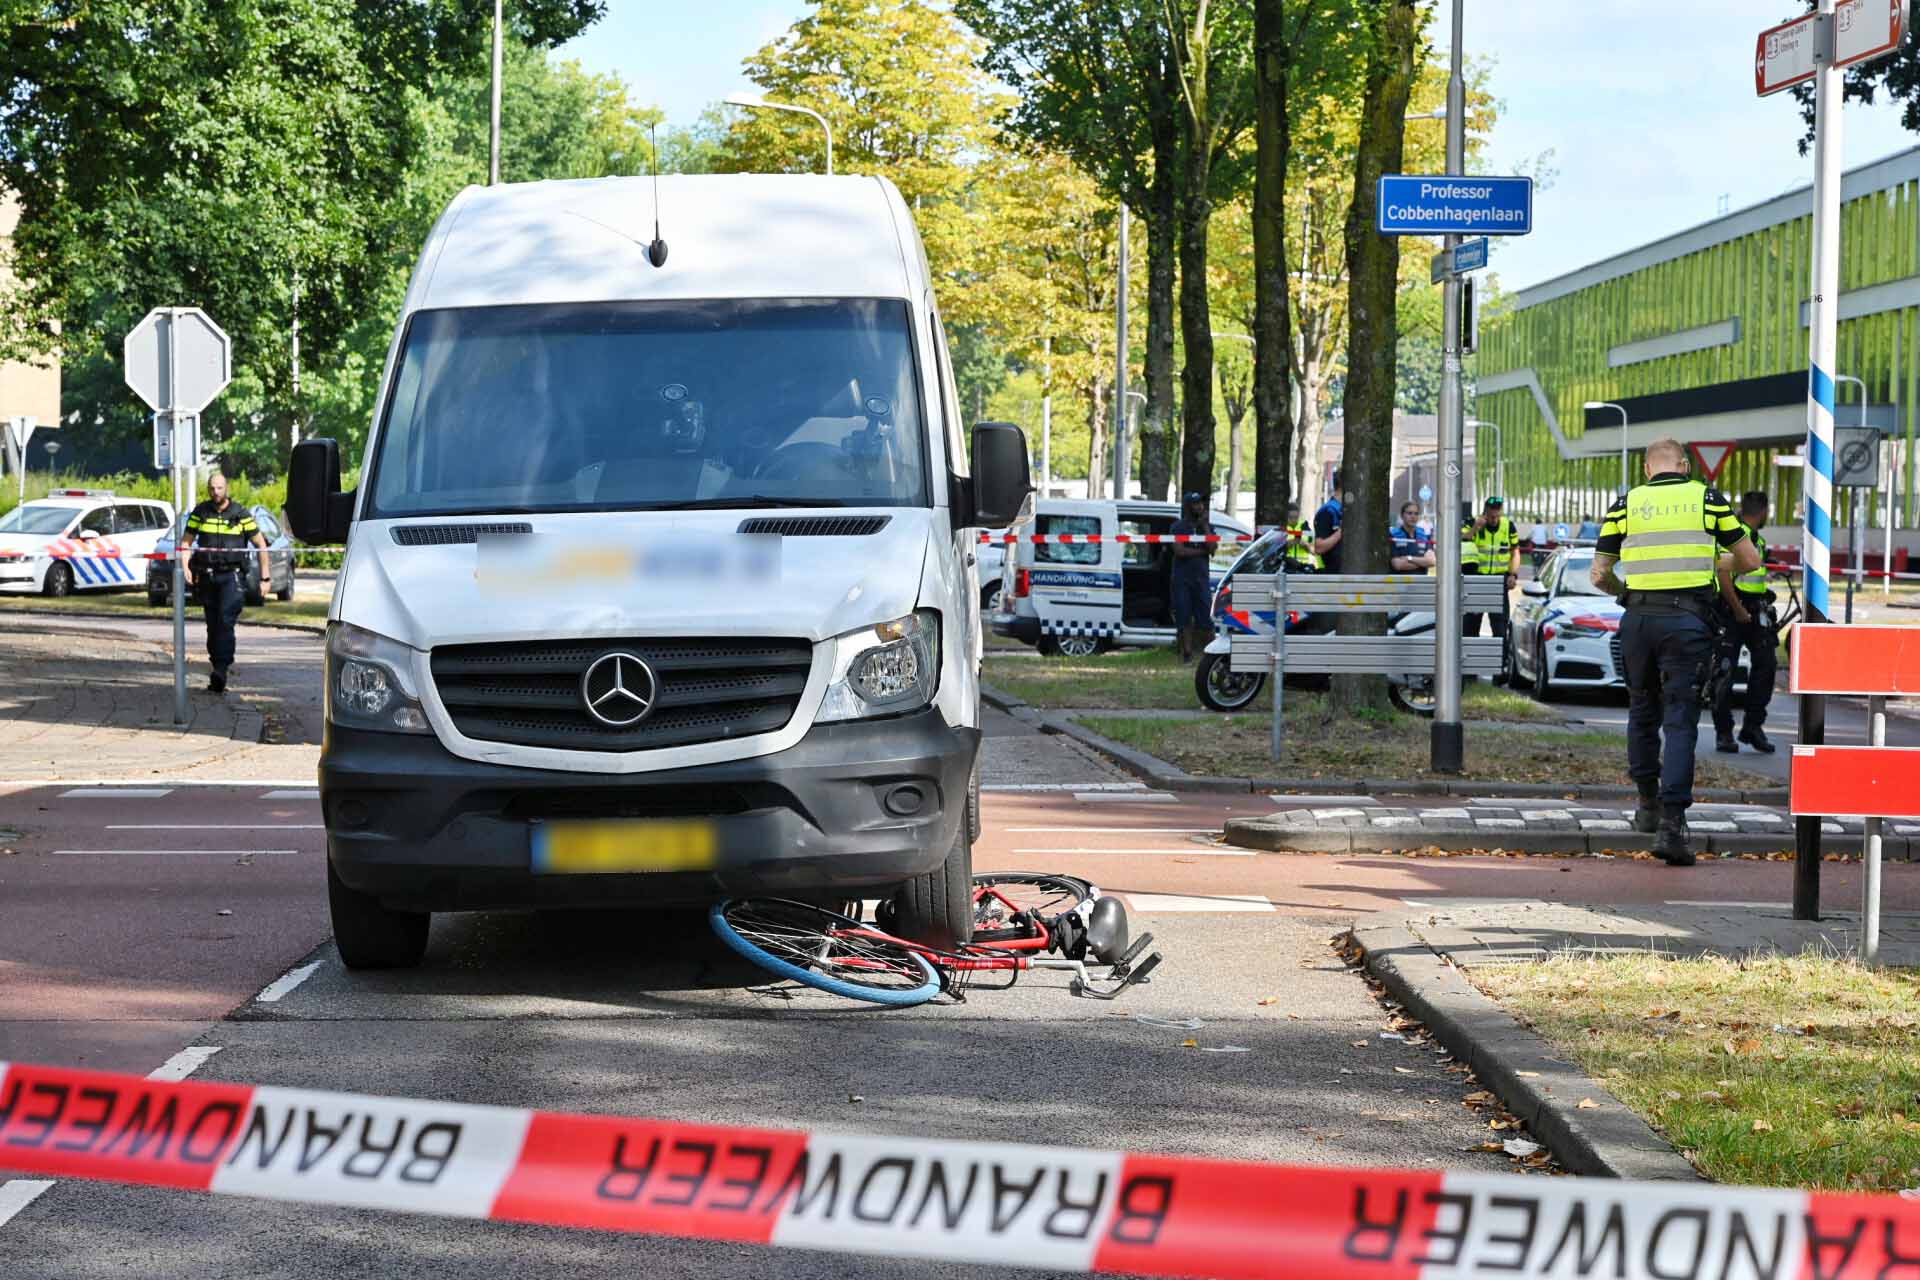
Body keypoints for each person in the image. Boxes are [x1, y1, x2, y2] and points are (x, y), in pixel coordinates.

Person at [1590, 439, 1761, 866]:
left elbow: (1599, 574)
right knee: (1681, 720)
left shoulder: (1625, 503)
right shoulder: (1705, 497)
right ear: (1683, 466)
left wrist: (1624, 592)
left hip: (1638, 620)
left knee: (1641, 711)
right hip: (1688, 622)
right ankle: (1672, 825)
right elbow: (1750, 559)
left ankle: (1646, 806)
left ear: (1648, 469)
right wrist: (1717, 567)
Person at [179, 474, 272, 694]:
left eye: (219, 488)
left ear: (226, 488)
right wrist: (185, 567)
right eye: (212, 488)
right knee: (213, 625)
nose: (216, 492)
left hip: (232, 577)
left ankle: (221, 668)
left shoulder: (240, 514)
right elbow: (186, 543)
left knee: (225, 619)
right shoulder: (201, 513)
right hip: (208, 577)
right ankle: (217, 666)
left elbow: (261, 544)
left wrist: (265, 578)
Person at [1712, 491, 1778, 756]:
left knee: (1766, 664)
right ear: (1762, 510)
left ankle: (1752, 726)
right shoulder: (1735, 535)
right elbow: (1723, 573)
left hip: (1753, 608)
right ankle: (1724, 733)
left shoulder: (1754, 537)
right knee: (1724, 671)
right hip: (1732, 609)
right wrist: (1738, 609)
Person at [1461, 495, 1520, 647]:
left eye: (1497, 514)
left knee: (1500, 629)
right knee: (1470, 628)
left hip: (1499, 582)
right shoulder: (1472, 522)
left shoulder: (1508, 526)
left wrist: (1513, 574)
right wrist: (1475, 527)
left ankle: (1500, 668)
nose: (1494, 518)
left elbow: (1515, 552)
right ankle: (1469, 669)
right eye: (1491, 515)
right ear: (1485, 512)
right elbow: (1461, 539)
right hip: (1476, 581)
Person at [1168, 491, 1214, 663]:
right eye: (1196, 503)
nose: (1200, 506)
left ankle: (1213, 655)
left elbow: (1213, 549)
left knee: (1206, 619)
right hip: (1182, 580)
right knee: (1184, 617)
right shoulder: (1178, 527)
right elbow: (1179, 551)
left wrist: (1206, 527)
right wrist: (1202, 552)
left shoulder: (1208, 527)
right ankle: (1187, 654)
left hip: (1201, 580)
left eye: (1202, 503)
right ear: (1188, 506)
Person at [1312, 471, 1350, 573]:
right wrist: (1342, 531)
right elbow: (1319, 547)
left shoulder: (1349, 511)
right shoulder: (1328, 511)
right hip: (1334, 576)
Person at [1389, 501, 1435, 573]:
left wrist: (1409, 558)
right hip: (1400, 582)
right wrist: (1423, 563)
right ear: (1402, 515)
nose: (1413, 516)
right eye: (1409, 513)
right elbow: (1398, 565)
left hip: (1421, 583)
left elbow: (1431, 561)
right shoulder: (1394, 535)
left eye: (1416, 514)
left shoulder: (1423, 535)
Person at [1282, 501, 1322, 571]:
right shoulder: (1282, 528)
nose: (1294, 520)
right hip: (1286, 567)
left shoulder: (1304, 526)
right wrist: (1287, 544)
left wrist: (1306, 545)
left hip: (1302, 567)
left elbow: (1314, 550)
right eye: (1291, 517)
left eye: (1296, 517)